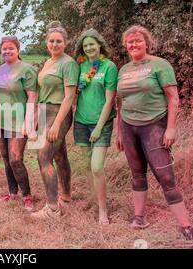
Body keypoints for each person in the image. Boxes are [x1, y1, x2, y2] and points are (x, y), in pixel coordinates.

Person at [116, 25, 193, 239]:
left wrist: (170, 129)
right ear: (126, 45)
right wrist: (119, 131)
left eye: (138, 41)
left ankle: (186, 225)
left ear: (147, 43)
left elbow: (173, 98)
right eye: (130, 42)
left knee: (165, 176)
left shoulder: (160, 65)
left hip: (154, 125)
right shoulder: (124, 70)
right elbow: (120, 102)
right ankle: (139, 217)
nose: (134, 44)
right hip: (128, 126)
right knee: (137, 173)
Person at [31, 21, 79, 219]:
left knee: (44, 156)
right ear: (46, 42)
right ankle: (66, 196)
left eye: (59, 41)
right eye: (51, 41)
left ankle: (52, 208)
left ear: (65, 43)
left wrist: (57, 124)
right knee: (59, 155)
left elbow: (69, 97)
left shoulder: (68, 64)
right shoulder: (49, 62)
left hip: (59, 112)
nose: (55, 44)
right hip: (45, 111)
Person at [73, 29, 118, 224]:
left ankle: (103, 209)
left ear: (99, 45)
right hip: (81, 121)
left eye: (92, 44)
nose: (89, 47)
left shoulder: (109, 67)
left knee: (97, 167)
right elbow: (74, 94)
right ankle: (94, 199)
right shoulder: (80, 66)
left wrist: (99, 127)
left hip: (101, 123)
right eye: (85, 45)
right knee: (87, 165)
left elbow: (110, 101)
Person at [0, 36, 38, 211]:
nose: (7, 51)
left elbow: (32, 97)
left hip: (19, 122)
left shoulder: (27, 70)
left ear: (18, 49)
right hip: (0, 120)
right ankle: (12, 193)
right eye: (4, 48)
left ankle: (27, 195)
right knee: (6, 159)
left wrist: (28, 122)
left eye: (11, 48)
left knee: (15, 159)